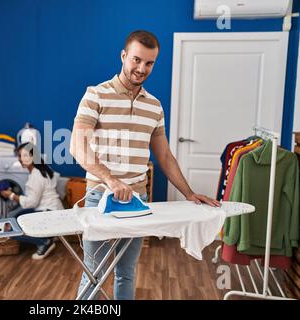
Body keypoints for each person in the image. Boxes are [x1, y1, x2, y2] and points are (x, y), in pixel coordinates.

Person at [70, 30, 221, 300]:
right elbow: (78, 147)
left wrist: (188, 193)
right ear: (124, 55)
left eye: (149, 63)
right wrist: (111, 181)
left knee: (126, 272)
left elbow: (164, 156)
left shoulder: (154, 106)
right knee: (94, 271)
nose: (141, 69)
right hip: (100, 198)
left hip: (137, 199)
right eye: (136, 60)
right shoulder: (95, 96)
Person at [0, 142, 64, 260]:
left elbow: (32, 203)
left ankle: (44, 242)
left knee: (11, 229)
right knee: (16, 217)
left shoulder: (36, 175)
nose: (20, 159)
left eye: (24, 155)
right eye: (19, 156)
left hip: (48, 213)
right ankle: (49, 236)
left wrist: (11, 195)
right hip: (53, 210)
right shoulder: (42, 168)